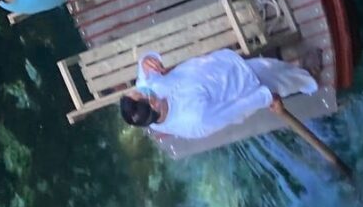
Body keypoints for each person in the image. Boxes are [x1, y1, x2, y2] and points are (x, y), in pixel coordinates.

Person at [118, 47, 319, 141]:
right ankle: (308, 75)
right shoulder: (195, 120)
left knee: (271, 67)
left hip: (223, 66)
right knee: (279, 79)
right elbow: (232, 111)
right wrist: (265, 97)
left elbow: (146, 67)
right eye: (139, 92)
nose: (139, 86)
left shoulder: (148, 93)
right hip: (241, 87)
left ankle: (295, 67)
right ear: (152, 103)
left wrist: (146, 60)